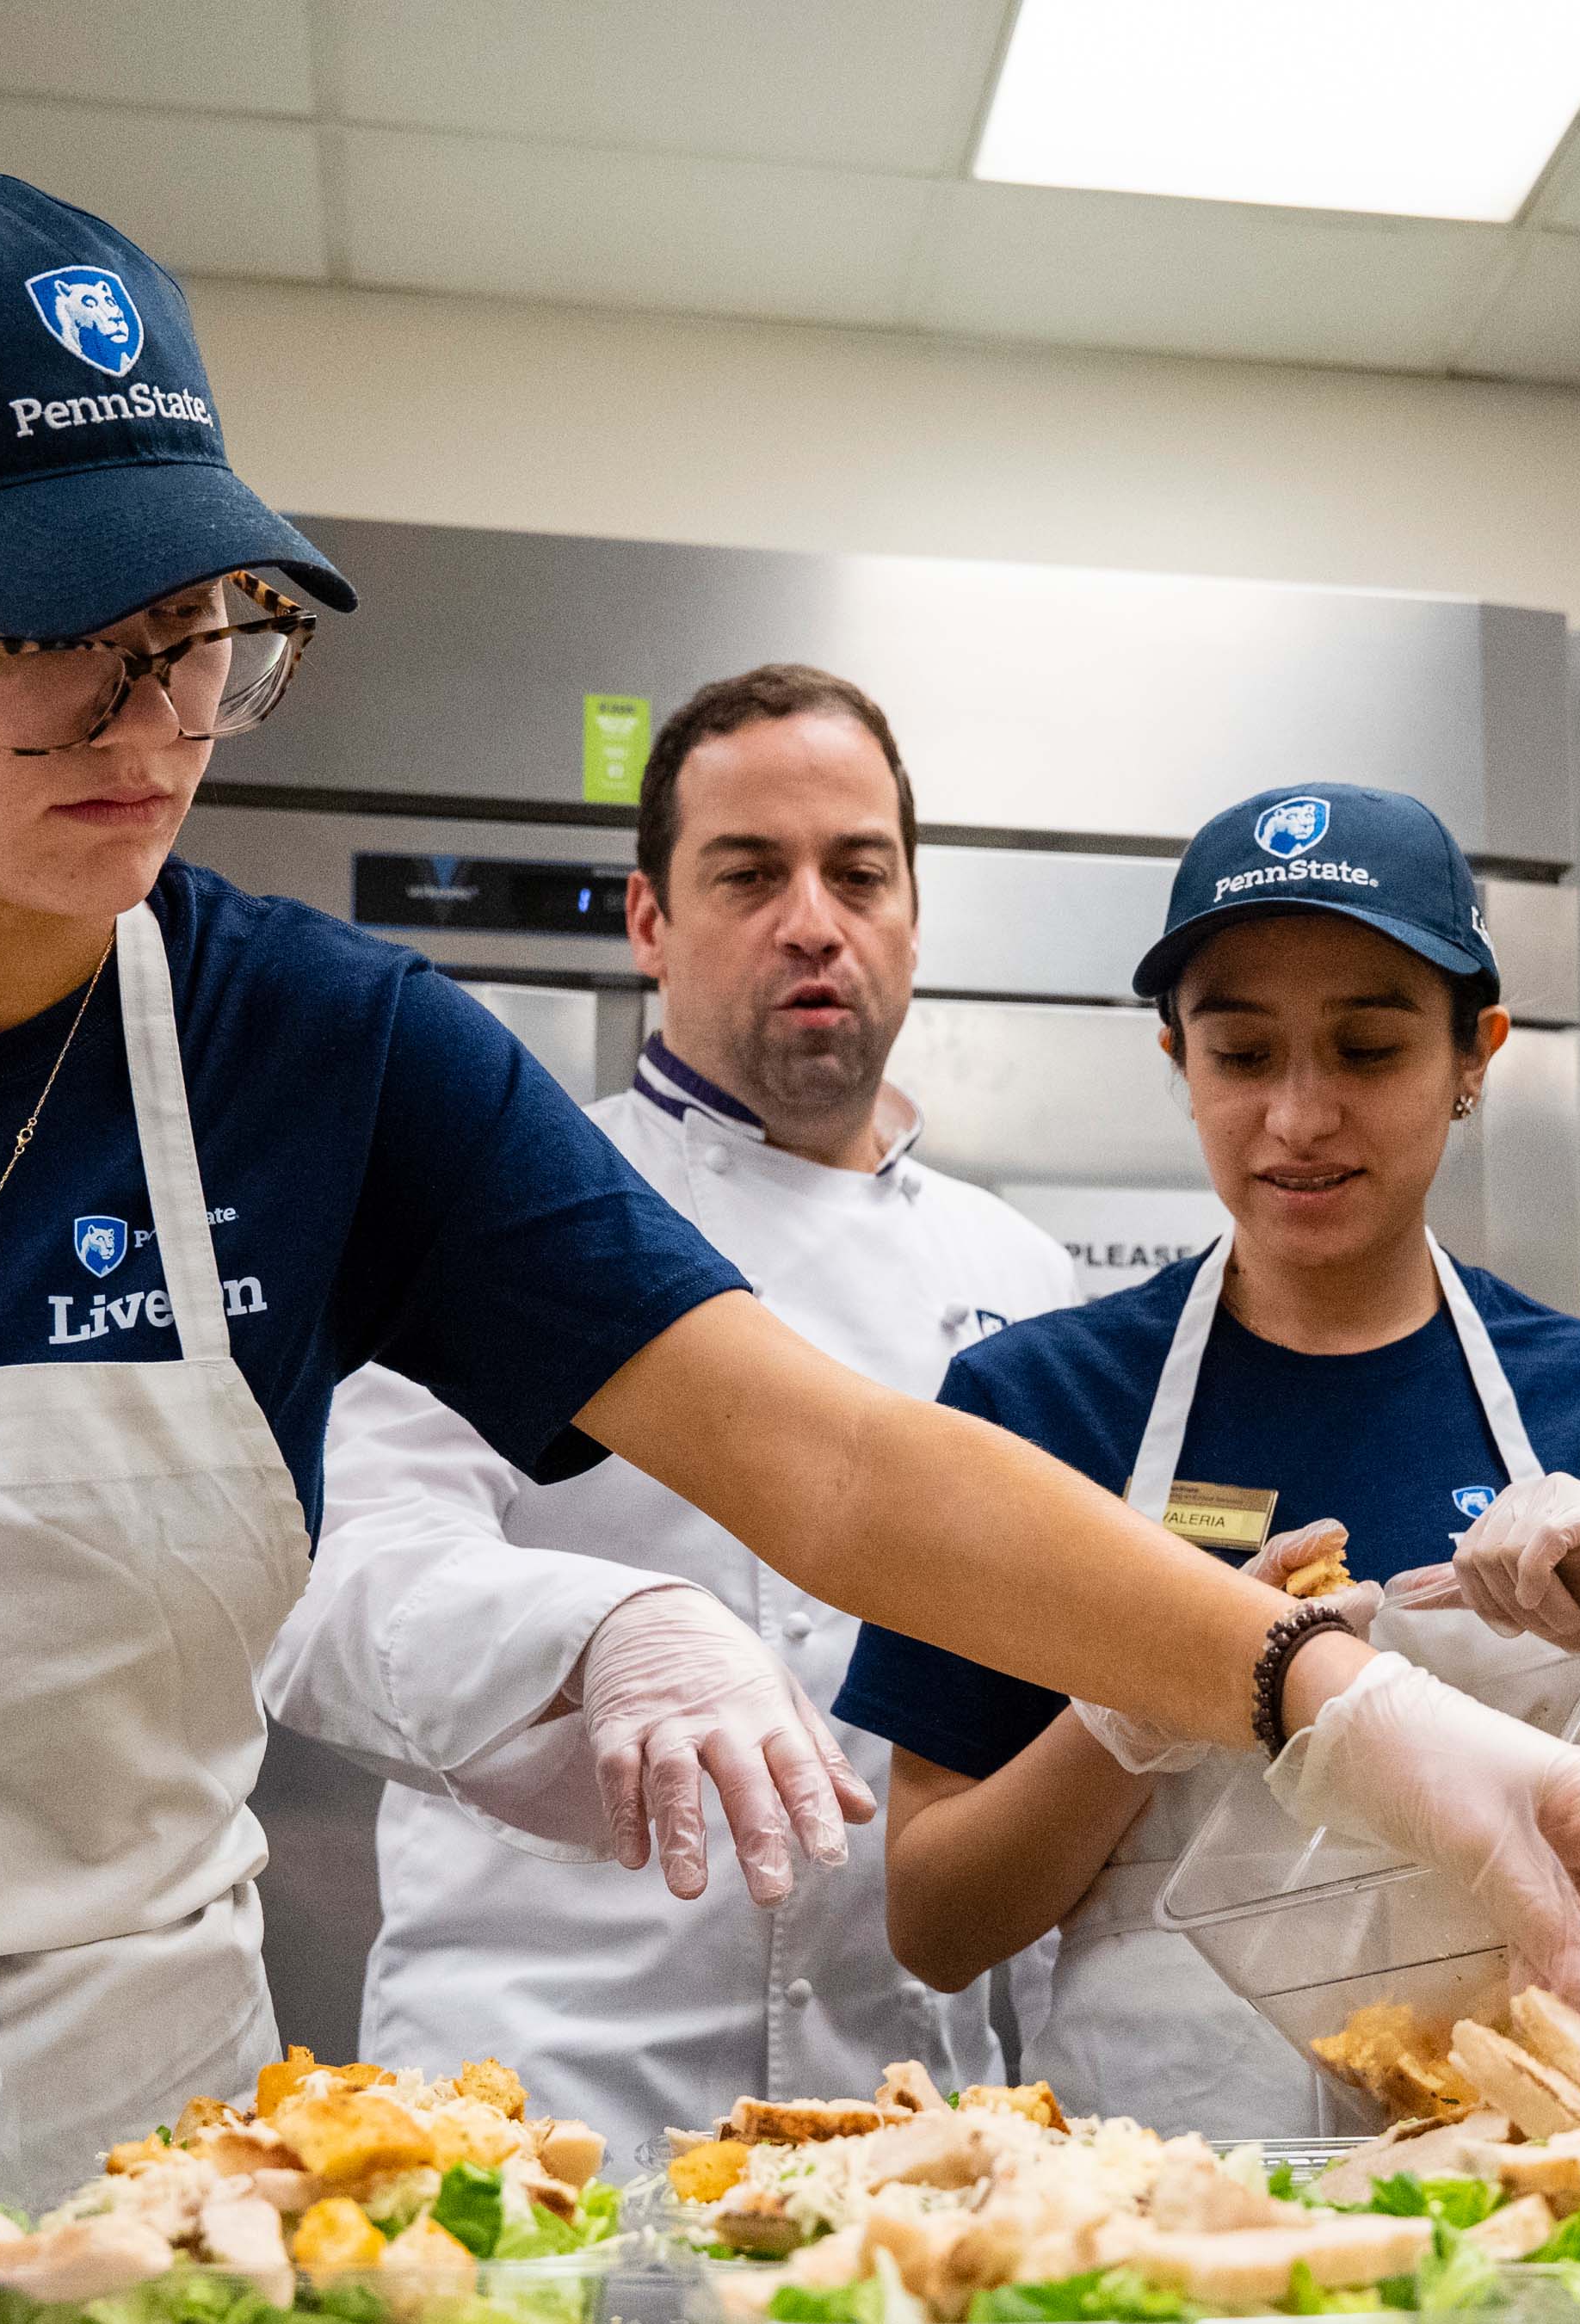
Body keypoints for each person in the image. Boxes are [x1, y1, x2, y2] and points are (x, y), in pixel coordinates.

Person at [0, 163, 1580, 2203]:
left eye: (196, 639)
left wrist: (1339, 1707)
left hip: (157, 2177)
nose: (154, 730)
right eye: (46, 646)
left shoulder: (326, 1050)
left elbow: (837, 1463)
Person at [257, 664, 1079, 2155]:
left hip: (910, 2106)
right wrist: (599, 1629)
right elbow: (337, 1583)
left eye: (858, 872)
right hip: (551, 2083)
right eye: (749, 875)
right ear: (649, 921)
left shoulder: (1020, 1273)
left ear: (910, 911)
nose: (812, 921)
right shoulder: (496, 1214)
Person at [834, 783, 1580, 2133]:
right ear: (1177, 1056)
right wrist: (1136, 1705)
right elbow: (938, 1923)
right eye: (1243, 1056)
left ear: (1474, 1055)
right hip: (1163, 2213)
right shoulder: (1036, 1408)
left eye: (1366, 1051)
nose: (1298, 1119)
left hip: (1539, 2186)